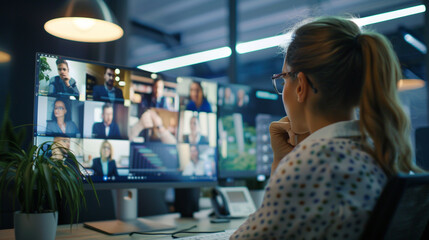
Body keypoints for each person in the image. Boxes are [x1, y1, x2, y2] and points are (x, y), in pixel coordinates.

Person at [231, 16, 423, 240]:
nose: (283, 89)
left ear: (301, 86)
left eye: (283, 80)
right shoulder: (376, 151)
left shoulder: (311, 163)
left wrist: (285, 166)